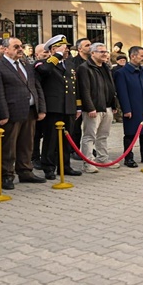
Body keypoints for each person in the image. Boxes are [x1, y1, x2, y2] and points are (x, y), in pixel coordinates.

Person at [0, 37, 47, 189]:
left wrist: (41, 108)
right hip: (11, 113)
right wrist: (3, 114)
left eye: (21, 46)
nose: (20, 49)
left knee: (27, 144)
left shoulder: (26, 65)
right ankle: (7, 175)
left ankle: (25, 171)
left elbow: (36, 87)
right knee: (8, 146)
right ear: (5, 49)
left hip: (30, 111)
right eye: (16, 47)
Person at [36, 35, 82, 180]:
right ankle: (48, 167)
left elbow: (75, 86)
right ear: (53, 49)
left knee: (67, 139)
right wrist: (57, 55)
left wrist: (78, 107)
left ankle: (65, 166)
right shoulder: (43, 63)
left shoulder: (69, 64)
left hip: (69, 107)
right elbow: (45, 70)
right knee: (51, 140)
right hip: (53, 108)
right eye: (63, 47)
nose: (67, 50)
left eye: (66, 47)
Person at [77, 42, 120, 172]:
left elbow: (110, 87)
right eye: (101, 52)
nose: (105, 54)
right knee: (90, 136)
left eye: (106, 52)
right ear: (92, 53)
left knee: (103, 135)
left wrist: (113, 104)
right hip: (94, 108)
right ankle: (88, 162)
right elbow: (84, 90)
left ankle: (103, 158)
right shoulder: (84, 68)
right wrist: (90, 107)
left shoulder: (106, 67)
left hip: (107, 107)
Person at [114, 46, 143, 168]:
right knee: (131, 134)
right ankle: (128, 158)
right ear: (133, 56)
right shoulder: (122, 73)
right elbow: (122, 93)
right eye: (142, 56)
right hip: (133, 107)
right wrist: (126, 109)